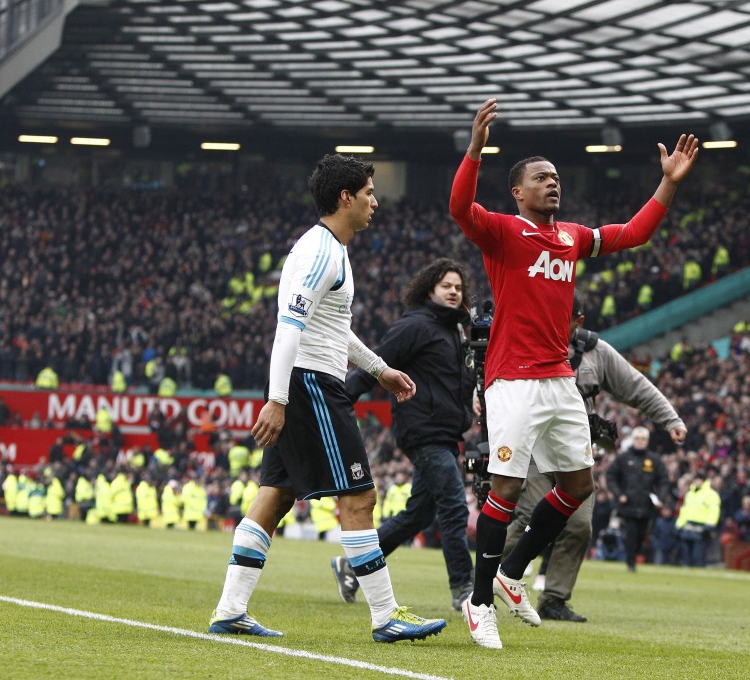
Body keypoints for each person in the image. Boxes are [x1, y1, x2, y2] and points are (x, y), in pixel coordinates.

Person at [449, 98, 698, 649]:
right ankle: (481, 601)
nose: (553, 183)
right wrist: (474, 151)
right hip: (512, 380)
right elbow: (460, 209)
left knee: (578, 485)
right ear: (518, 192)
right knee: (508, 488)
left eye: (556, 177)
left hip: (559, 379)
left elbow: (634, 233)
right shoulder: (503, 233)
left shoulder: (572, 237)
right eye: (541, 178)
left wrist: (668, 186)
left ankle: (513, 571)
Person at [206, 154, 446, 643]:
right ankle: (385, 616)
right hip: (311, 385)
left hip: (306, 380)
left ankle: (230, 609)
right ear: (346, 197)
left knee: (275, 495)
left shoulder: (327, 249)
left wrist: (379, 370)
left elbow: (334, 329)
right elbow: (288, 329)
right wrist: (277, 399)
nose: (375, 202)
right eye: (369, 193)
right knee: (359, 496)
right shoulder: (321, 253)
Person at [505, 292, 686, 621]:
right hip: (532, 448)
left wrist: (670, 417)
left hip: (575, 451)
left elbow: (635, 385)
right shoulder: (526, 344)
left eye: (561, 318)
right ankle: (488, 582)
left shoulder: (596, 352)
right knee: (529, 516)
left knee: (579, 526)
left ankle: (554, 599)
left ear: (578, 321)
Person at [333, 258, 476, 612]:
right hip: (423, 430)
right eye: (447, 286)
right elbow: (376, 363)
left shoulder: (457, 332)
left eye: (458, 287)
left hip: (445, 432)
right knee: (455, 507)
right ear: (430, 289)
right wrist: (341, 399)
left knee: (419, 513)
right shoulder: (415, 325)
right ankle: (464, 590)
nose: (454, 292)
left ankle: (352, 564)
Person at [605, 427, 676, 574]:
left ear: (647, 441)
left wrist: (660, 498)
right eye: (637, 438)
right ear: (633, 439)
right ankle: (631, 563)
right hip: (628, 505)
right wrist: (619, 495)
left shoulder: (654, 459)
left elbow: (663, 480)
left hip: (646, 505)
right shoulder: (623, 458)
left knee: (642, 535)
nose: (640, 441)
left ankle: (633, 556)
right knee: (630, 534)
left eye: (643, 439)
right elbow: (611, 477)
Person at [674, 470, 721, 566]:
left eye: (699, 480)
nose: (697, 482)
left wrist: (710, 523)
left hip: (702, 526)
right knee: (686, 554)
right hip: (688, 525)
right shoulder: (690, 494)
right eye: (695, 480)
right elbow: (684, 510)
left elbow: (714, 510)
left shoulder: (711, 494)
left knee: (698, 554)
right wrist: (679, 524)